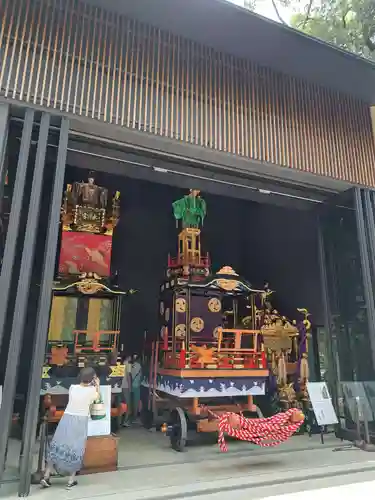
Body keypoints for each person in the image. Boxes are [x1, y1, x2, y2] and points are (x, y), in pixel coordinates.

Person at [40, 367, 99, 490]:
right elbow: (96, 399)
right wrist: (97, 385)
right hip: (80, 421)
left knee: (58, 444)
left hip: (67, 419)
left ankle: (46, 475)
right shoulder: (93, 391)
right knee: (76, 447)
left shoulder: (73, 388)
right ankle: (70, 481)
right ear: (92, 379)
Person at [130, 354, 142, 422]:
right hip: (136, 386)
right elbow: (139, 376)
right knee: (136, 401)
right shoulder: (138, 365)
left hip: (130, 386)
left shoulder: (131, 365)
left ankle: (131, 415)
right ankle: (135, 416)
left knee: (131, 401)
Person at [121, 355, 131, 427]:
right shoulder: (128, 364)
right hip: (126, 386)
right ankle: (125, 421)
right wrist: (130, 387)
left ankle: (120, 420)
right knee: (127, 404)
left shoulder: (121, 364)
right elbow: (128, 376)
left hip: (120, 386)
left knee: (122, 404)